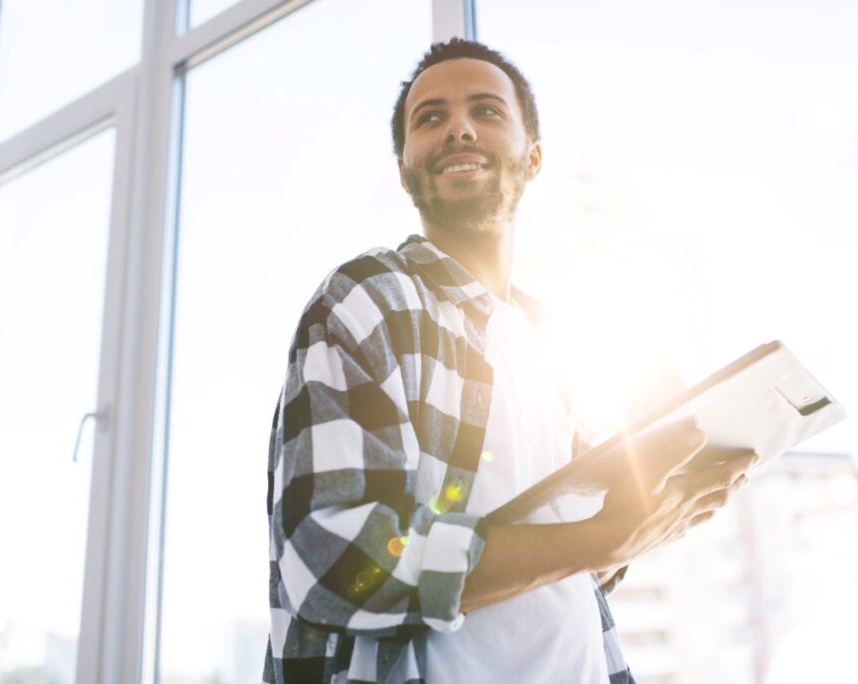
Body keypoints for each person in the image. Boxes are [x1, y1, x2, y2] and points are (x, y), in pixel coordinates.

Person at [263, 38, 756, 683]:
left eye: (487, 112)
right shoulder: (369, 300)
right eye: (430, 117)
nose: (458, 127)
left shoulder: (557, 344)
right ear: (405, 167)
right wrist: (606, 536)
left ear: (533, 158)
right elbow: (330, 560)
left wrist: (647, 514)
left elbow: (565, 568)